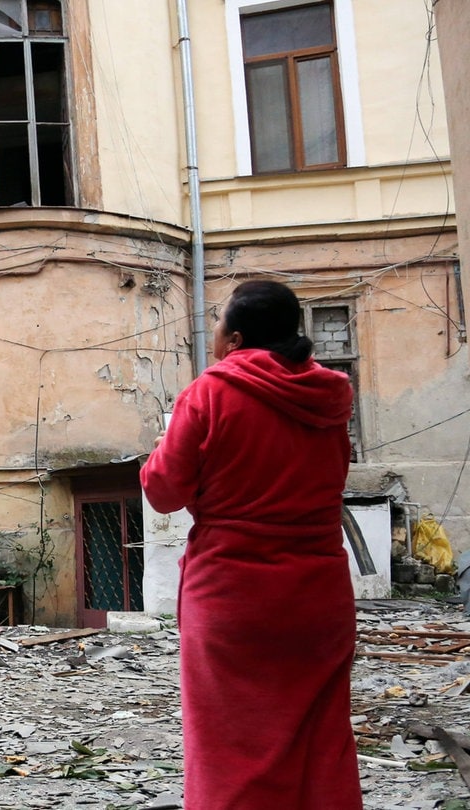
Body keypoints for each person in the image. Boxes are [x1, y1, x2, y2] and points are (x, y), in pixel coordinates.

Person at [140, 280, 362, 809]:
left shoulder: (210, 393)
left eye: (218, 321)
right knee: (320, 735)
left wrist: (160, 453)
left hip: (233, 594)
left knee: (232, 742)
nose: (213, 330)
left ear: (235, 339)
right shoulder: (333, 396)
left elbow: (164, 492)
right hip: (319, 595)